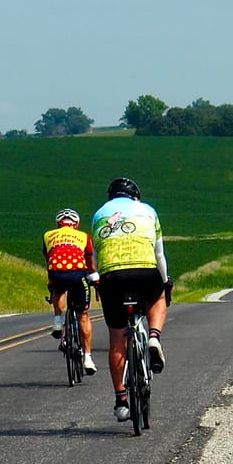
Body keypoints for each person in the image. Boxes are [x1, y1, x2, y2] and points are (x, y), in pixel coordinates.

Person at [90, 176, 167, 423]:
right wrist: (164, 282)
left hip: (111, 276)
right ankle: (154, 337)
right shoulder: (148, 211)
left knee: (117, 338)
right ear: (136, 196)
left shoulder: (98, 214)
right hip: (145, 270)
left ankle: (121, 400)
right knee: (158, 297)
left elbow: (97, 253)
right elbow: (159, 254)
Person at [42, 207, 97, 374]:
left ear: (58, 224)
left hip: (57, 272)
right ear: (76, 224)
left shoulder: (48, 235)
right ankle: (87, 358)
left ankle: (58, 321)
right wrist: (94, 275)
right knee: (83, 315)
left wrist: (52, 278)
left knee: (58, 289)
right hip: (78, 274)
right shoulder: (84, 236)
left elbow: (48, 257)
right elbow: (89, 261)